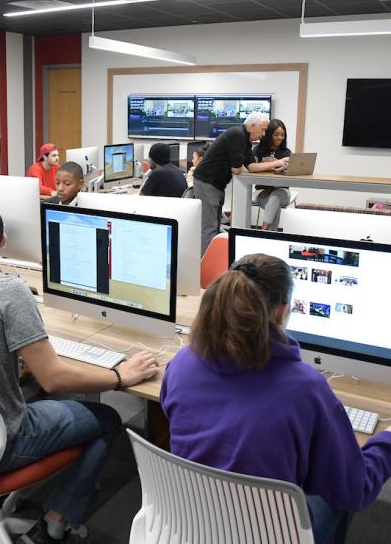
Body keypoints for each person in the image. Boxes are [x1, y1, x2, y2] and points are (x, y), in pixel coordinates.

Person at [0, 199, 160, 543]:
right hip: (1, 441)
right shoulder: (9, 290)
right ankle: (56, 522)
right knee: (106, 418)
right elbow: (53, 379)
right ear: (3, 241)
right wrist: (122, 377)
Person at [160, 253, 391, 544]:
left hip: (194, 523)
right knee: (335, 498)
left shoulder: (182, 363)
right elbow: (355, 490)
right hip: (267, 534)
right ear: (282, 312)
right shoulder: (306, 390)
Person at [192, 112, 288, 253]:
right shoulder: (237, 135)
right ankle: (205, 267)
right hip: (207, 183)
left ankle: (212, 261)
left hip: (216, 184)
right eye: (262, 130)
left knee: (215, 225)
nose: (263, 135)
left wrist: (277, 163)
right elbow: (237, 170)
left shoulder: (245, 140)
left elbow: (251, 166)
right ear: (253, 126)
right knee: (209, 228)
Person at [252, 119, 292, 230]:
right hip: (261, 192)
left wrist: (270, 189)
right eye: (276, 134)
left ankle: (262, 232)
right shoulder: (258, 151)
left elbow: (288, 179)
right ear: (269, 135)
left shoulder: (286, 153)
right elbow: (250, 170)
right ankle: (271, 236)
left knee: (275, 197)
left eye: (282, 135)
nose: (280, 137)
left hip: (282, 191)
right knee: (275, 206)